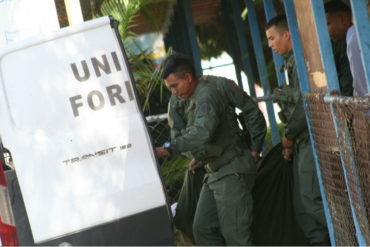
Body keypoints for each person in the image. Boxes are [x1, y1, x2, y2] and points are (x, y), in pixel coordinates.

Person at [156, 53, 261, 245]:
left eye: (174, 86)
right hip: (213, 173)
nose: (173, 92)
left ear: (188, 77)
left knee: (236, 236)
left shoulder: (207, 93)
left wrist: (168, 148)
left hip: (231, 170)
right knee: (202, 229)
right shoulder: (190, 97)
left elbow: (202, 132)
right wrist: (199, 156)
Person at [265, 15, 330, 245]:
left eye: (273, 38)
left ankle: (353, 235)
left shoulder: (301, 60)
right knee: (303, 207)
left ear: (287, 34)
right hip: (302, 140)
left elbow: (304, 106)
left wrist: (288, 136)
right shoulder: (291, 62)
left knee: (311, 201)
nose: (270, 44)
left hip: (310, 137)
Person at [325, 0, 368, 96]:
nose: (326, 31)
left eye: (328, 24)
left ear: (342, 19)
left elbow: (362, 87)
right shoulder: (353, 37)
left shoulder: (353, 38)